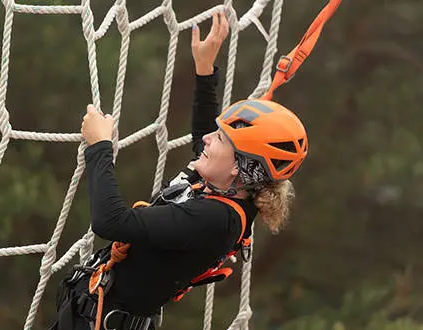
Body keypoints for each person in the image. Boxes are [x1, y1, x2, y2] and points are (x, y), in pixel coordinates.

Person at [53, 11, 307, 330]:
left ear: (240, 168)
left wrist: (99, 146)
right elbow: (207, 137)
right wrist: (205, 71)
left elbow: (111, 221)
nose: (206, 140)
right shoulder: (226, 188)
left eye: (220, 138)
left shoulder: (215, 220)